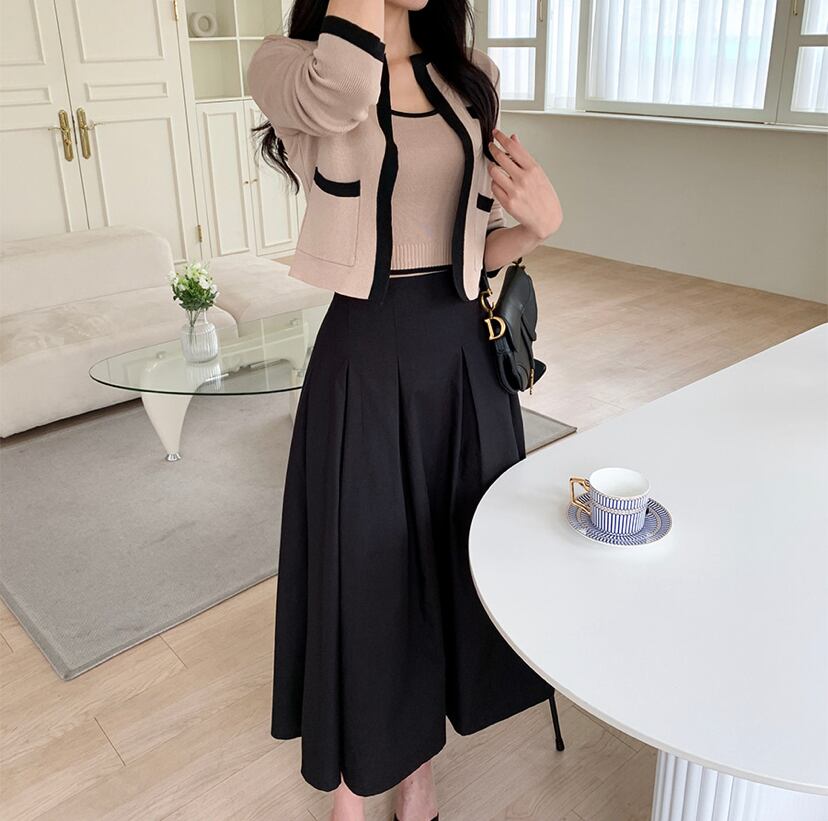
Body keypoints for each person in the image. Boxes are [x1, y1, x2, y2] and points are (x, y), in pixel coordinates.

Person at [247, 1, 563, 818]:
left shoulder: (471, 77)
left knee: (453, 558)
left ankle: (419, 768)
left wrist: (539, 228)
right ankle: (355, 778)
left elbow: (475, 249)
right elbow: (345, 89)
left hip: (462, 359)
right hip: (363, 352)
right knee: (369, 571)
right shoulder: (290, 66)